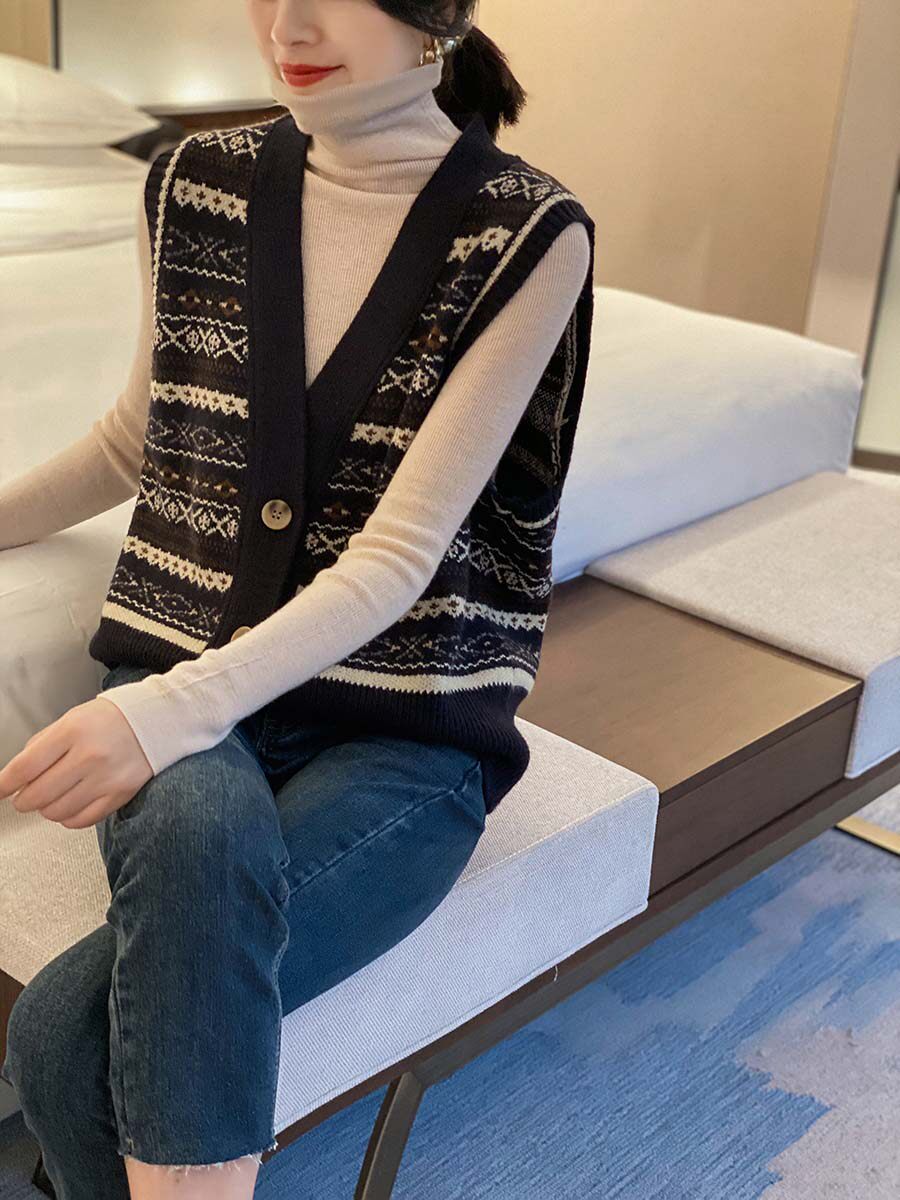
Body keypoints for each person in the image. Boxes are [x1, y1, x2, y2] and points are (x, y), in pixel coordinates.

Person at [0, 2, 594, 1197]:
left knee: (63, 1031)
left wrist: (157, 716)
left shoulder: (527, 232)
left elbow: (401, 552)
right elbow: (139, 438)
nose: (291, 23)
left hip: (404, 720)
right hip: (182, 649)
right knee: (159, 890)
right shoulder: (195, 183)